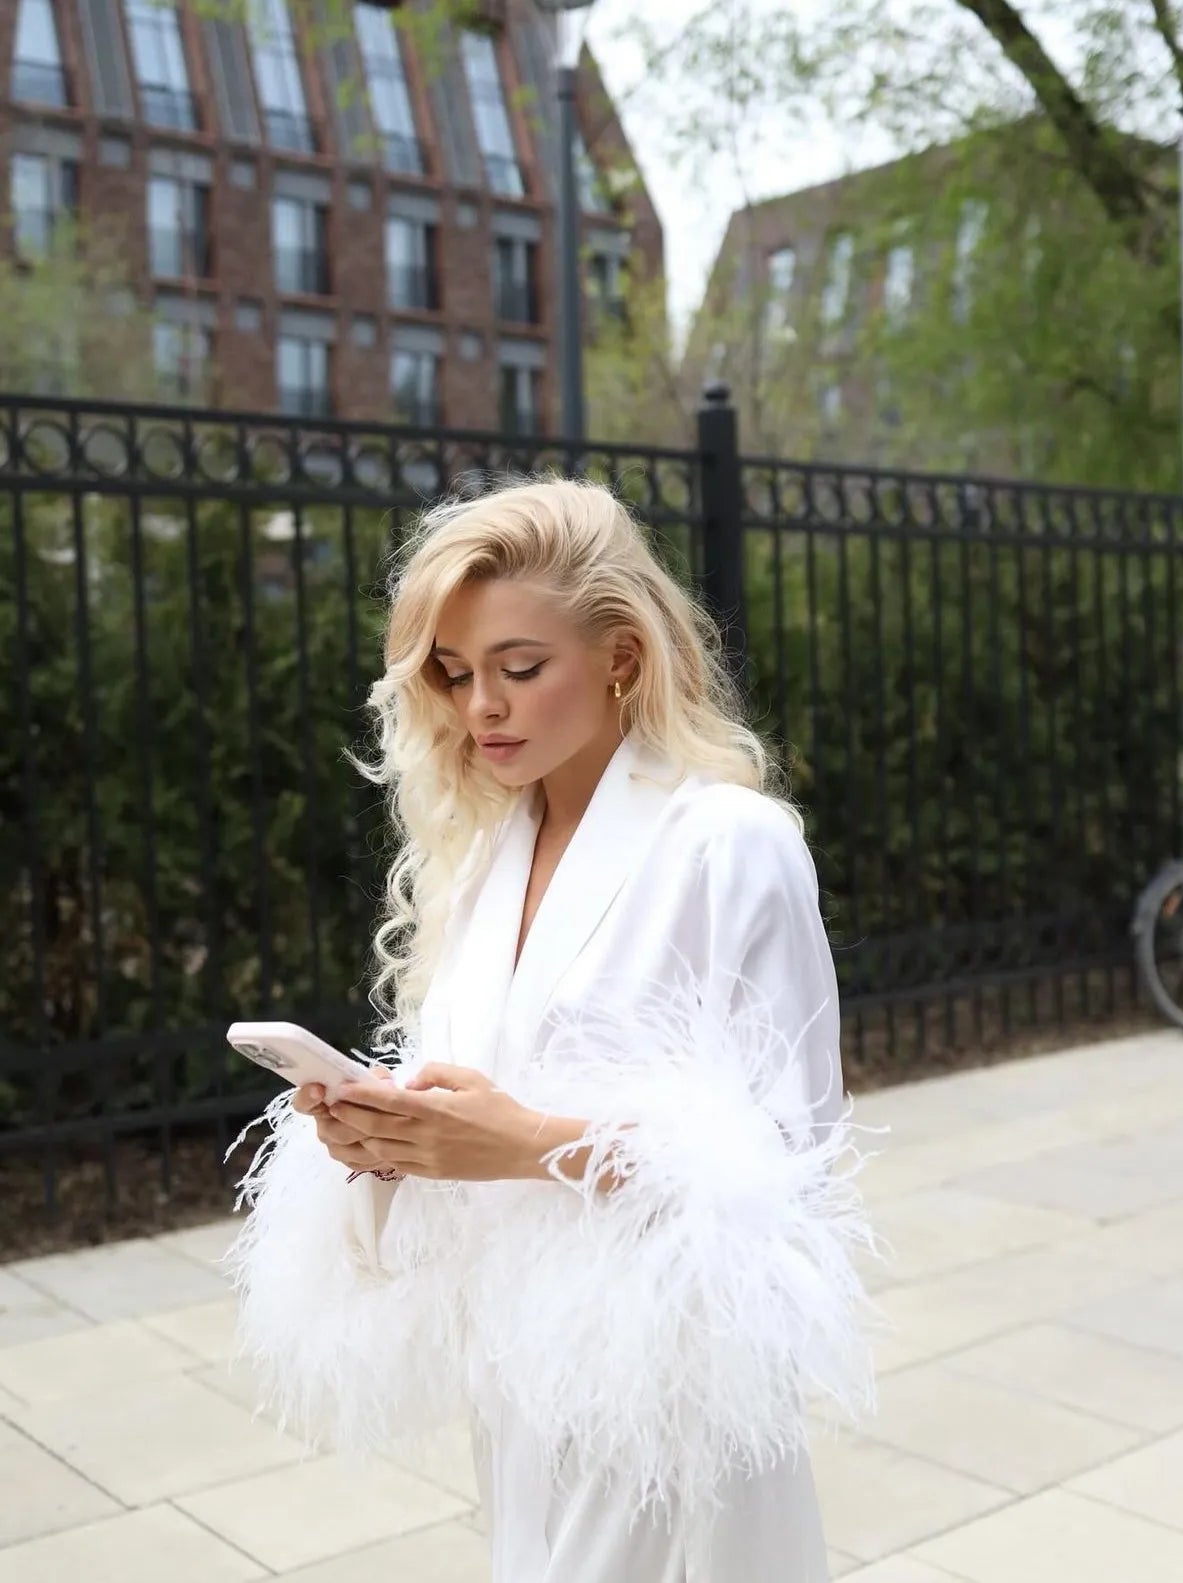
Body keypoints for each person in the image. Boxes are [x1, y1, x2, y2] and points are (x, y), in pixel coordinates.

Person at [225, 476, 890, 1583]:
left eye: (519, 668)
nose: (481, 704)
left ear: (622, 655)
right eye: (455, 673)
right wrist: (391, 1138)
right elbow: (474, 1124)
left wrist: (530, 1141)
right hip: (523, 1389)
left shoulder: (728, 844)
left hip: (669, 1402)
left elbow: (791, 1173)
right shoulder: (486, 858)